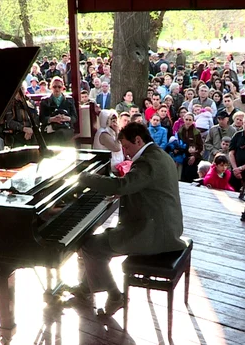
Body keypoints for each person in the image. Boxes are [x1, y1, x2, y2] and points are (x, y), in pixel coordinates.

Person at [71, 122, 185, 315]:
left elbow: (122, 186)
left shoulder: (147, 162)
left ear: (138, 140)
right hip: (163, 224)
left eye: (127, 146)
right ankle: (85, 288)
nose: (125, 151)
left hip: (154, 234)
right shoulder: (159, 155)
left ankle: (115, 296)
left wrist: (85, 178)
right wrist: (125, 191)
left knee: (91, 246)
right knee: (100, 244)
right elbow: (144, 187)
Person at [39, 77, 77, 147]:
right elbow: (41, 118)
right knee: (53, 135)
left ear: (63, 88)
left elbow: (74, 117)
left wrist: (66, 118)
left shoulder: (69, 100)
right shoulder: (45, 101)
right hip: (50, 127)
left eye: (59, 87)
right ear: (51, 87)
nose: (57, 89)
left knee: (61, 133)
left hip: (66, 127)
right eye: (54, 87)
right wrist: (52, 119)